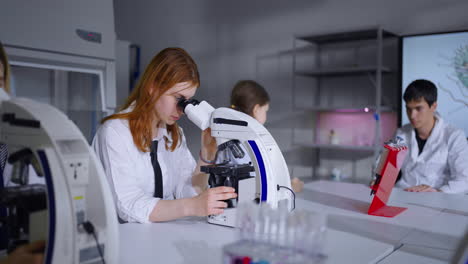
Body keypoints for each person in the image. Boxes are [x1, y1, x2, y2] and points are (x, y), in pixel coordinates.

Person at [92, 47, 237, 223]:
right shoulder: (115, 132)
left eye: (188, 101)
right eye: (178, 99)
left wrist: (206, 156)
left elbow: (187, 191)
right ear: (153, 88)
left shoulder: (175, 135)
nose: (183, 110)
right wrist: (191, 206)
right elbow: (127, 205)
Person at [229, 80, 304, 193]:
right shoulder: (248, 142)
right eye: (265, 110)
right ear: (256, 109)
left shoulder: (229, 134)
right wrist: (290, 189)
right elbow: (258, 190)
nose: (266, 115)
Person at [395, 79, 468, 193]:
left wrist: (437, 191)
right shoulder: (401, 133)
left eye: (418, 109)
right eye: (409, 109)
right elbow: (384, 167)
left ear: (433, 106)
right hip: (403, 194)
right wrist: (378, 179)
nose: (412, 115)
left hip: (438, 200)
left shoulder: (454, 136)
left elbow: (464, 180)